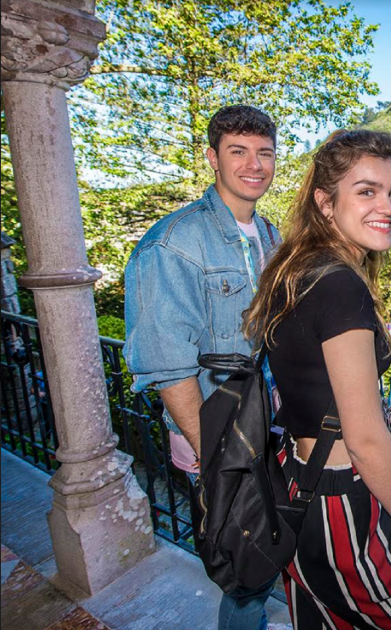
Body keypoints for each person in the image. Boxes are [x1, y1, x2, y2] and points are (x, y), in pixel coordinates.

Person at [243, 130, 391, 630]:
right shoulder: (342, 286)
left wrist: (370, 397)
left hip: (298, 486)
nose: (387, 205)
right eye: (366, 191)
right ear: (325, 202)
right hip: (342, 507)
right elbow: (363, 440)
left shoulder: (295, 269)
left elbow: (309, 378)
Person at [125, 105, 281, 630]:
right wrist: (216, 460)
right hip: (219, 442)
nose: (254, 165)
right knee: (245, 574)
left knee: (266, 555)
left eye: (264, 153)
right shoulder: (173, 243)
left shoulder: (269, 235)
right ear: (213, 158)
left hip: (266, 432)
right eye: (238, 151)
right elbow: (168, 367)